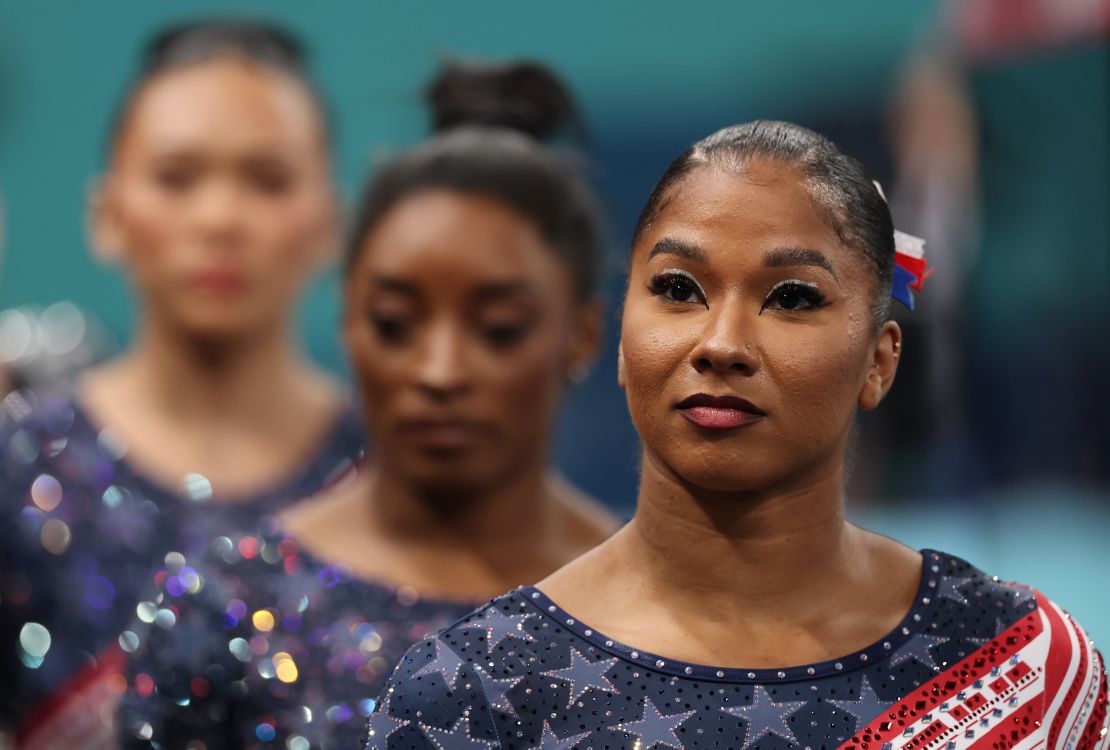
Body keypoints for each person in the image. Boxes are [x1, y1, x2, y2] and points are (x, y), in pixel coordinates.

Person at [365, 121, 1108, 750]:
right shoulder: (478, 691)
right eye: (678, 289)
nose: (722, 343)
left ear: (879, 361)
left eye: (792, 298)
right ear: (622, 339)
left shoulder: (1017, 660)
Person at [118, 59, 619, 749]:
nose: (439, 372)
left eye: (499, 330)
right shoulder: (227, 605)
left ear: (581, 335)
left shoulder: (657, 610)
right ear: (349, 323)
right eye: (393, 324)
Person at [0, 21, 363, 748]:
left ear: (328, 223)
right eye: (177, 177)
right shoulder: (17, 468)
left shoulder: (400, 473)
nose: (220, 218)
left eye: (267, 179)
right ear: (107, 215)